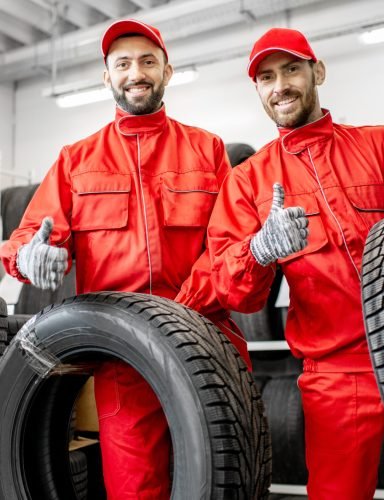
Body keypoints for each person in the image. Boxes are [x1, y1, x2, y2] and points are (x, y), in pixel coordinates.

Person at [0, 19, 251, 500]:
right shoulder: (77, 159)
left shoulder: (208, 150)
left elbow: (227, 247)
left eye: (147, 61)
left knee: (229, 485)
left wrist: (177, 317)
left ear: (167, 71)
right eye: (123, 64)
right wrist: (30, 258)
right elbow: (28, 238)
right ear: (107, 77)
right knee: (136, 490)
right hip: (125, 366)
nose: (136, 73)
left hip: (210, 342)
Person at [207, 27, 384, 499]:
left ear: (318, 71)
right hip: (336, 374)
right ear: (257, 90)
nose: (280, 86)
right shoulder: (249, 180)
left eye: (291, 69)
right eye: (266, 77)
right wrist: (259, 250)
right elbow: (233, 291)